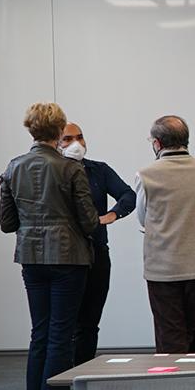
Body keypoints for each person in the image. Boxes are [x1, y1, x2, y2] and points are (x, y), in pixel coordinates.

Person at [0, 103, 100, 390]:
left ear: (31, 130)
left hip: (30, 257)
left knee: (39, 335)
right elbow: (88, 220)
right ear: (59, 131)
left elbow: (6, 222)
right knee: (61, 336)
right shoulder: (71, 169)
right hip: (69, 258)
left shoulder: (14, 167)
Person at [134, 115, 195, 354]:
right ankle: (191, 382)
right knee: (190, 329)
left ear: (157, 143)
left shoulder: (147, 174)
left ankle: (174, 387)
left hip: (163, 267)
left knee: (170, 332)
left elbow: (143, 218)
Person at [57, 123, 137, 365]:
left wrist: (112, 215)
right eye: (68, 139)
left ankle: (82, 372)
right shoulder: (52, 171)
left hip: (97, 252)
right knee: (66, 322)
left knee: (90, 321)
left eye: (80, 137)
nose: (76, 144)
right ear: (56, 142)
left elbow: (128, 195)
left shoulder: (98, 170)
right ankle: (62, 377)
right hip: (66, 256)